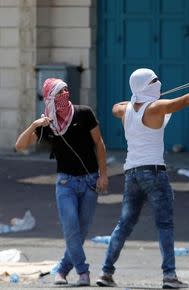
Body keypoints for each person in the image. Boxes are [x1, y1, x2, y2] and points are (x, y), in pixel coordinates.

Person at [96, 68, 189, 289]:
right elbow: (185, 100)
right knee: (164, 224)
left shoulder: (124, 109)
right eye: (154, 81)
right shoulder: (155, 107)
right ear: (145, 86)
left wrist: (135, 97)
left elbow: (114, 106)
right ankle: (169, 276)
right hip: (154, 173)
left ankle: (106, 272)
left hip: (132, 174)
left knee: (124, 224)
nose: (159, 83)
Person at [15, 78, 108, 286]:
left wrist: (104, 174)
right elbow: (19, 146)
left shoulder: (84, 113)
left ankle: (62, 269)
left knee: (81, 231)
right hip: (65, 183)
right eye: (59, 92)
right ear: (49, 97)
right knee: (71, 229)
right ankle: (83, 272)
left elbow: (99, 143)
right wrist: (34, 125)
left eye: (66, 90)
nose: (64, 95)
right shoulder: (47, 124)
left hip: (91, 181)